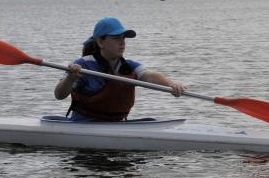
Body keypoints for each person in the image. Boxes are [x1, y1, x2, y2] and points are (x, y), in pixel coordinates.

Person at [54, 17, 185, 121]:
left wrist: (170, 84)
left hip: (116, 124)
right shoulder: (83, 65)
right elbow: (59, 95)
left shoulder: (129, 66)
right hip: (84, 125)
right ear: (101, 42)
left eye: (123, 38)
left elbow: (149, 75)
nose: (122, 43)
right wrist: (70, 78)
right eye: (116, 38)